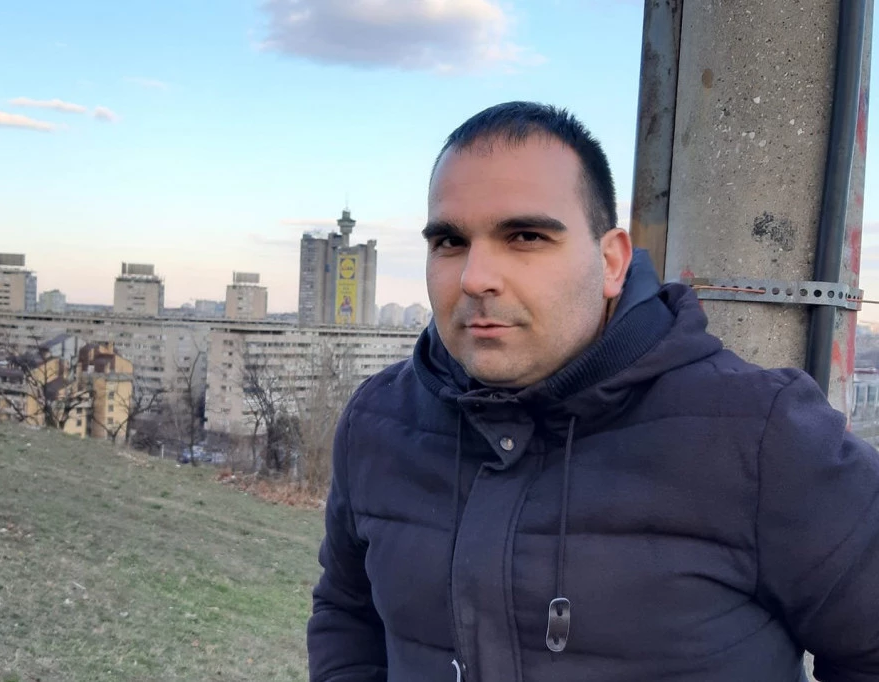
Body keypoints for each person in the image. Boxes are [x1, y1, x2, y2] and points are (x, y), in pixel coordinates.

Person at [305, 101, 879, 681]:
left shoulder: (762, 437)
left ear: (611, 262)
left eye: (525, 236)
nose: (475, 278)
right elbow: (347, 612)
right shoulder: (379, 422)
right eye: (450, 241)